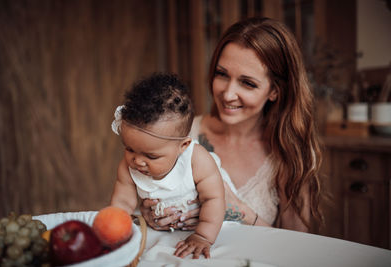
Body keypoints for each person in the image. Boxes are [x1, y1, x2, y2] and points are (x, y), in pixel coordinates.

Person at [140, 17, 323, 233]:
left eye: (247, 83)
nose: (228, 94)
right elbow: (138, 201)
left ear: (275, 91)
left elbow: (298, 249)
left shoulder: (289, 153)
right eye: (222, 74)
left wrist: (238, 211)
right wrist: (148, 215)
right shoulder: (181, 134)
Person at [110, 73, 225, 259]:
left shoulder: (197, 160)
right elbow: (122, 204)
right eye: (130, 149)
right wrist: (113, 231)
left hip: (208, 225)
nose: (137, 161)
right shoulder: (127, 167)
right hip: (160, 229)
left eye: (151, 156)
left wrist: (203, 235)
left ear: (183, 146)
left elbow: (214, 199)